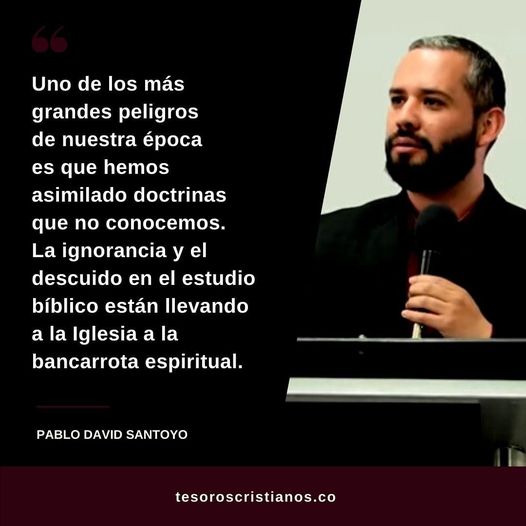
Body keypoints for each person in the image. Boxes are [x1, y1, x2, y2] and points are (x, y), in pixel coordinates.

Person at [303, 35, 526, 338]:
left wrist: (487, 338)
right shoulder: (325, 244)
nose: (405, 117)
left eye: (432, 102)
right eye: (398, 100)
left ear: (488, 125)